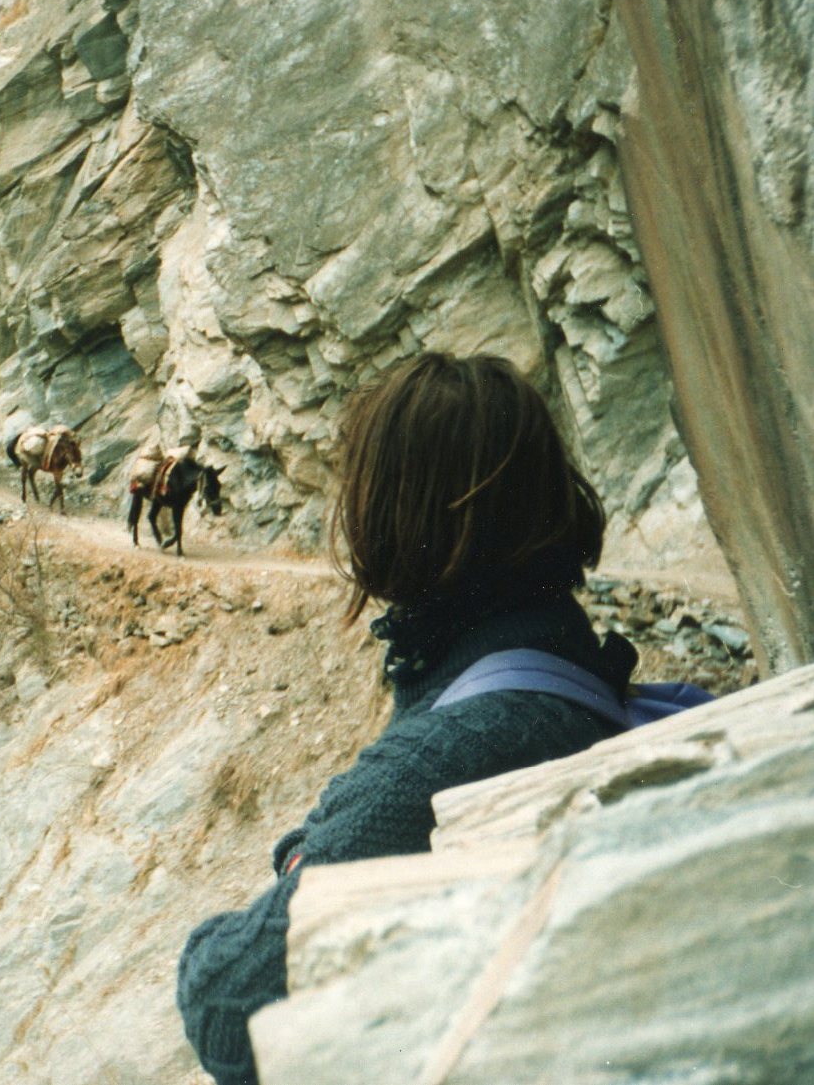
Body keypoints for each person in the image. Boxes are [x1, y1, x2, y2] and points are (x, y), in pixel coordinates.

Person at [176, 352, 634, 1084]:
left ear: (394, 514)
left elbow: (225, 1002)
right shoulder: (553, 641)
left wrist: (304, 850)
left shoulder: (452, 746)